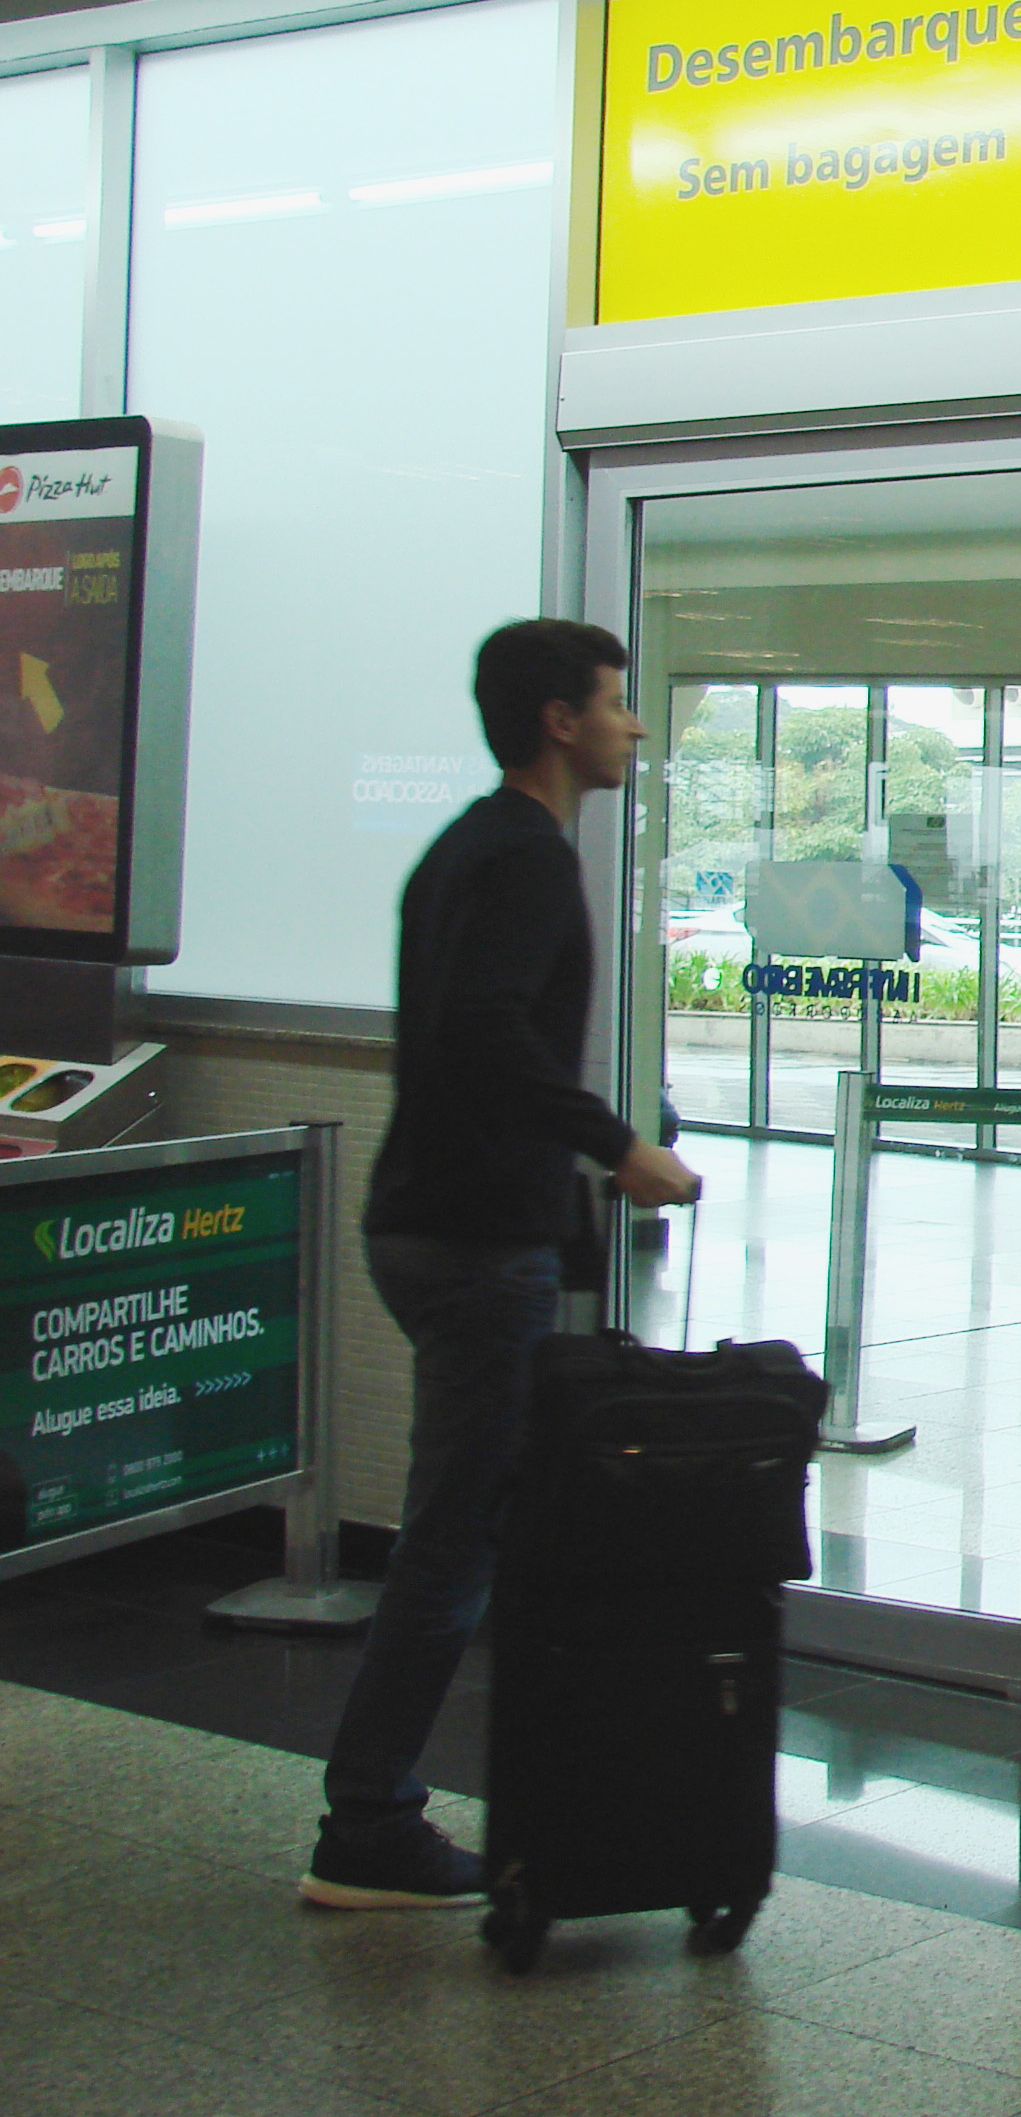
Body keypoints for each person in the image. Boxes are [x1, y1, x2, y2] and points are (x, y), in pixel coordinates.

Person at [304, 619, 702, 1909]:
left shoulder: (464, 848)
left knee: (491, 1519)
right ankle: (366, 1823)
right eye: (618, 702)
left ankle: (511, 1786)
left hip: (429, 1221)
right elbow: (483, 1034)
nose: (634, 726)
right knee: (452, 1541)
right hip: (478, 1244)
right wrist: (618, 1148)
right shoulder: (525, 859)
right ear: (558, 719)